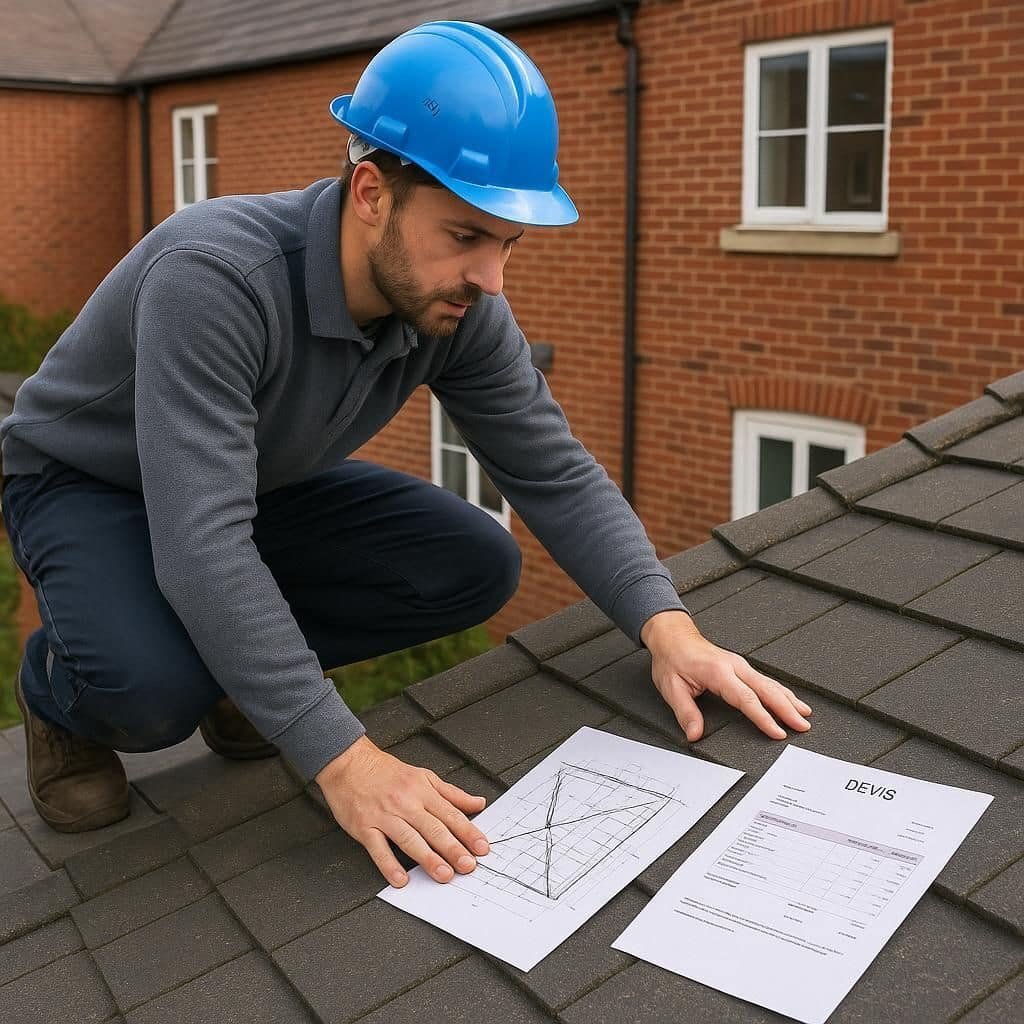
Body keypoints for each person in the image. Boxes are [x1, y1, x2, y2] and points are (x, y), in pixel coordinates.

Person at [0, 21, 811, 887]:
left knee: (471, 562)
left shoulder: (457, 307)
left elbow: (551, 469)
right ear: (371, 193)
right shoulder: (216, 278)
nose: (492, 278)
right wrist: (344, 761)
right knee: (150, 689)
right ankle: (61, 696)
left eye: (508, 243)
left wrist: (668, 627)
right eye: (466, 236)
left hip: (249, 480)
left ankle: (239, 671)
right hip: (86, 481)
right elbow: (201, 545)